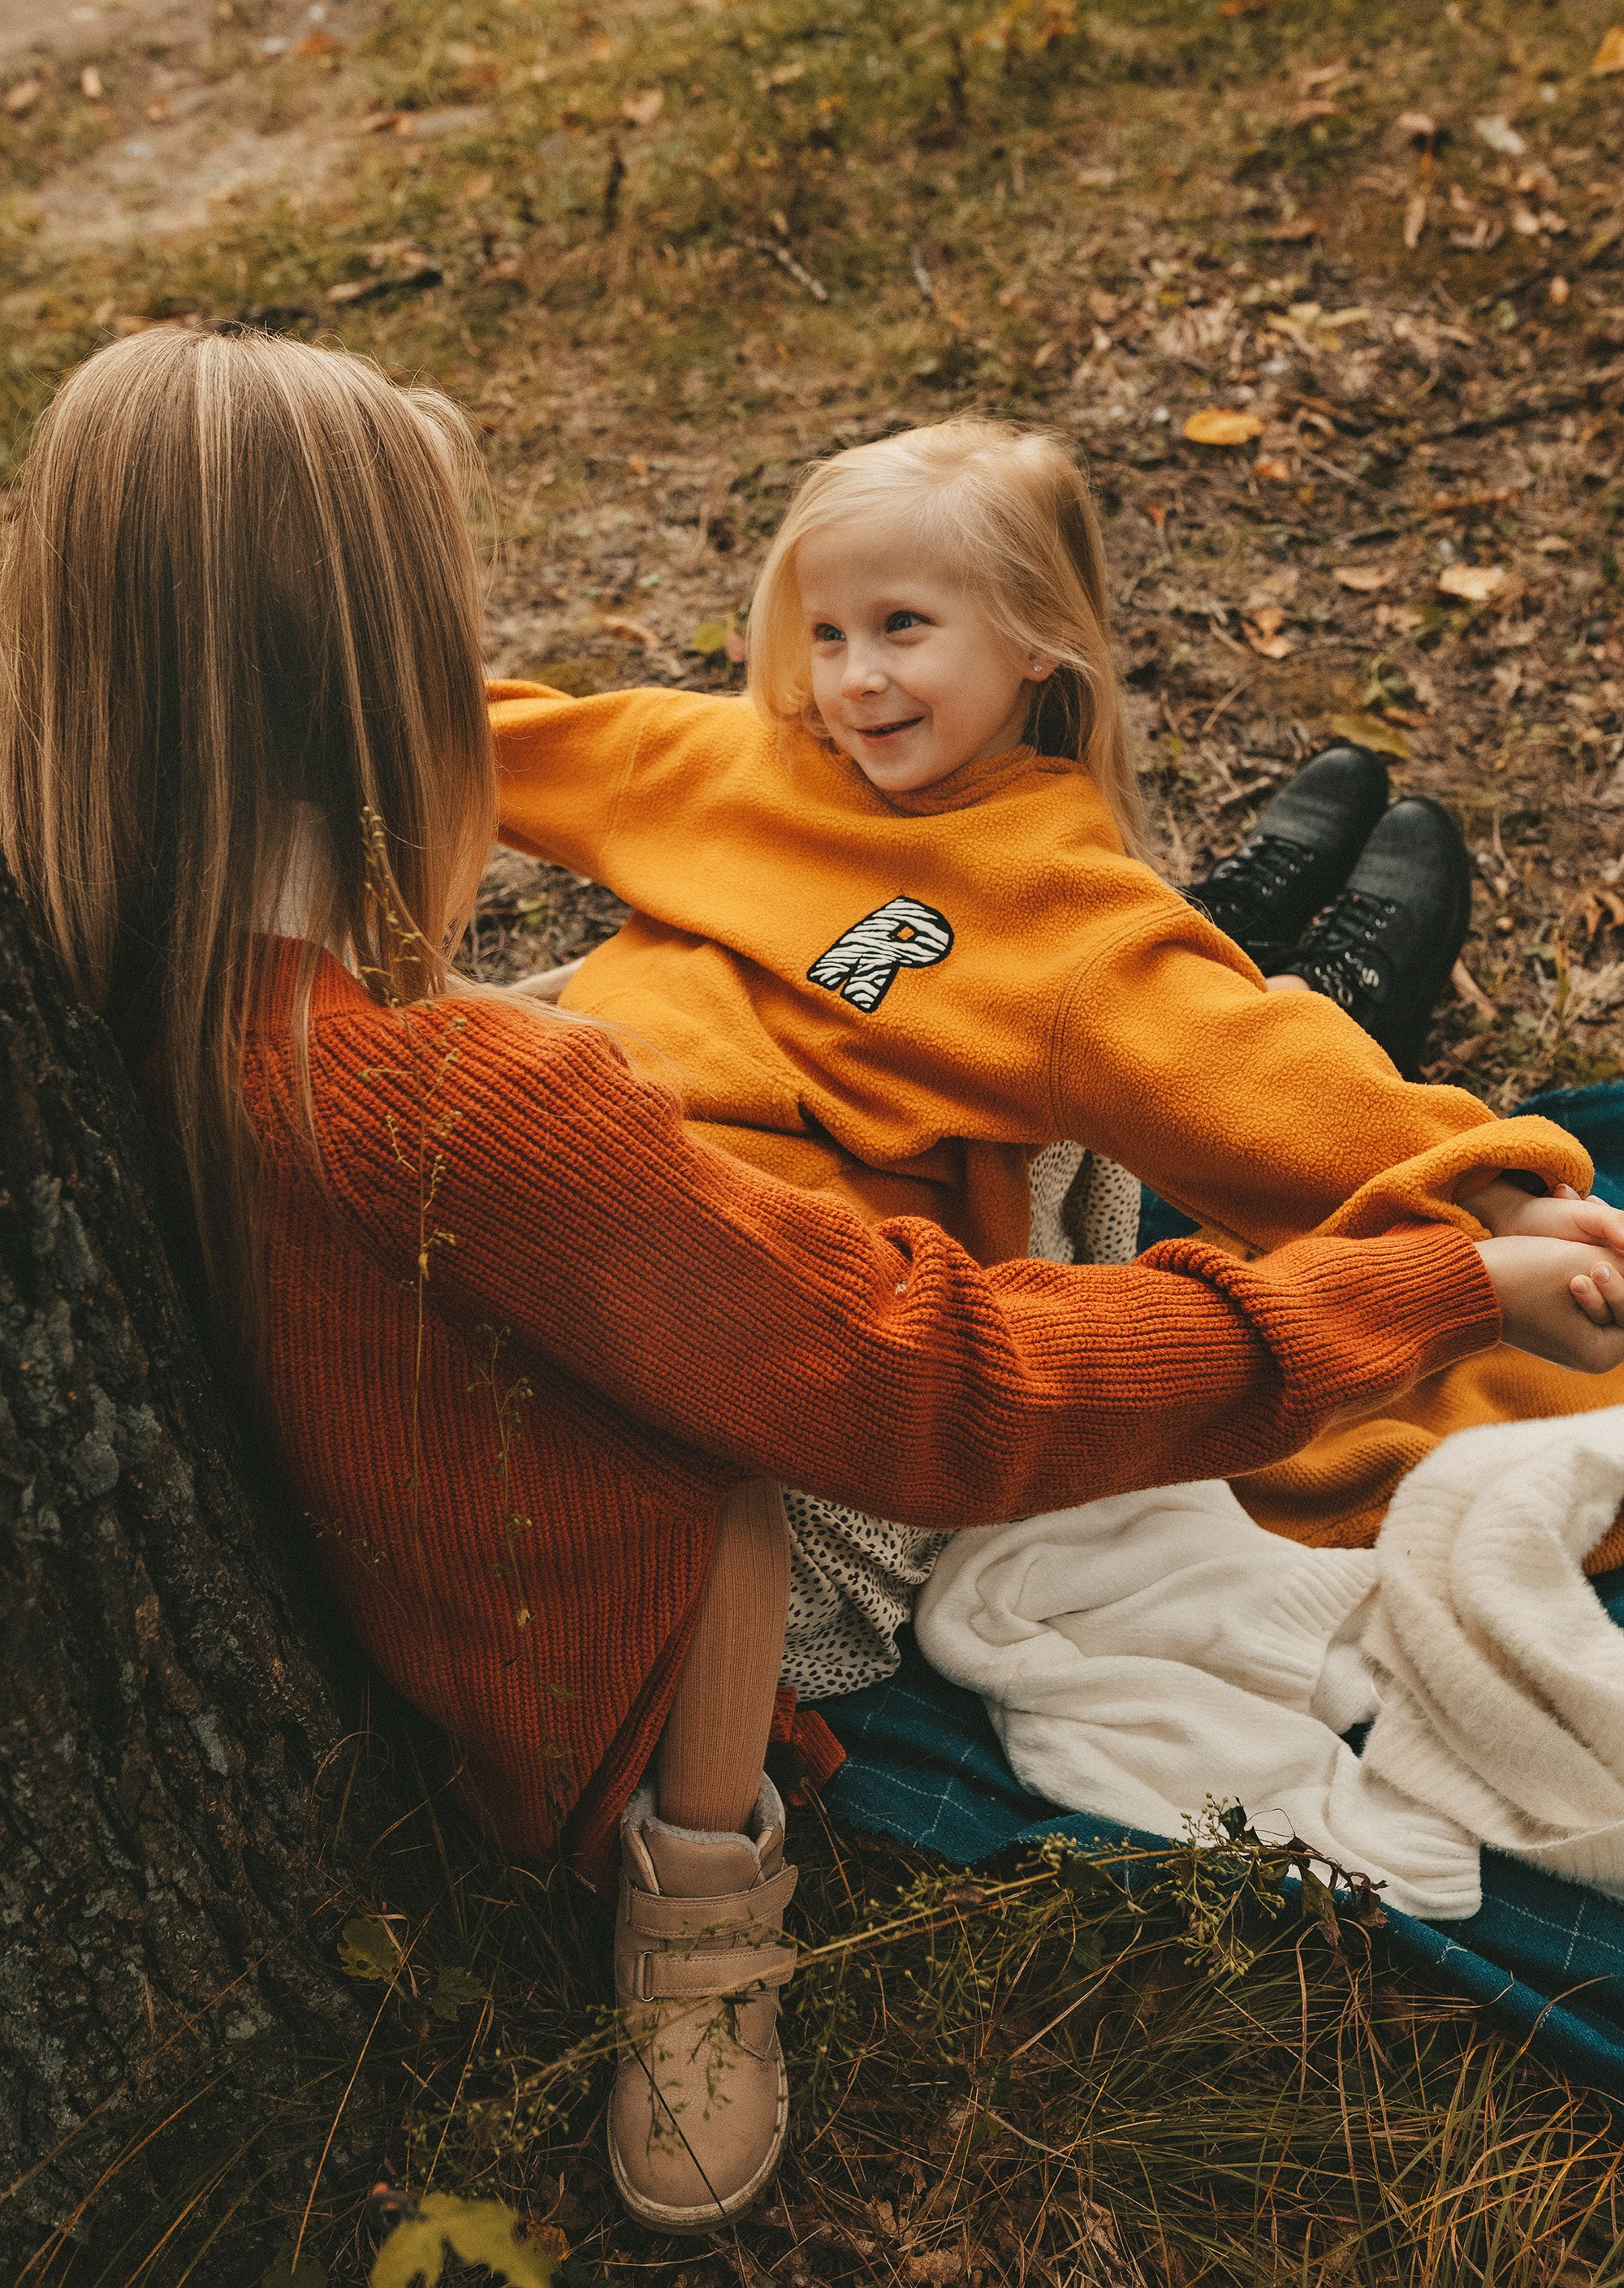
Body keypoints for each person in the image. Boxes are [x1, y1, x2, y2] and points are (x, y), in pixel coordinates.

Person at [2, 336, 1620, 2239]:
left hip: (604, 1434)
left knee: (1013, 988)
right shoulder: (459, 1103)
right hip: (673, 1648)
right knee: (1094, 1084)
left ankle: (1252, 931)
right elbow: (936, 1383)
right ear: (384, 685)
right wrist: (1434, 1289)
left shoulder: (110, 960)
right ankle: (1311, 964)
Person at [487, 417, 1624, 1700]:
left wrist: (1506, 1193)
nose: (856, 676)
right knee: (1117, 1028)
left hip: (838, 1246)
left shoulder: (1057, 912)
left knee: (1164, 1014)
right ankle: (1244, 934)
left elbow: (1264, 1081)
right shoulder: (716, 763)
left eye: (904, 626)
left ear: (1036, 640)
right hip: (680, 1221)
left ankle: (1292, 972)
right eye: (828, 631)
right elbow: (469, 735)